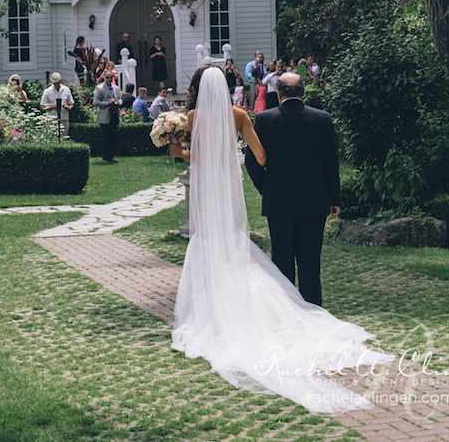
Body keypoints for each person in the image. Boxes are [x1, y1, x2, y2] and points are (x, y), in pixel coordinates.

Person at [167, 66, 392, 413]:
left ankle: (256, 308)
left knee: (272, 254)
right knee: (308, 258)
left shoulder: (204, 117)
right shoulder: (249, 115)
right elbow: (269, 156)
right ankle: (306, 309)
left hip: (234, 196)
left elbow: (222, 159)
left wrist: (264, 185)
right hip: (291, 197)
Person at [245, 72, 338, 307]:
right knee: (310, 260)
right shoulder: (323, 119)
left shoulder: (265, 119)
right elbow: (331, 163)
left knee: (282, 259)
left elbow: (251, 161)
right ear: (303, 92)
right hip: (314, 201)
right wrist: (334, 198)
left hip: (278, 200)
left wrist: (265, 188)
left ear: (279, 93)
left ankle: (286, 310)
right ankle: (313, 310)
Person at [93, 68, 121, 162]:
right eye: (107, 77)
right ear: (104, 77)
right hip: (104, 116)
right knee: (105, 137)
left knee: (113, 136)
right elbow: (95, 102)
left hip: (114, 114)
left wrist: (120, 102)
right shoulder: (99, 88)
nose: (109, 79)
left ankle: (111, 156)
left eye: (111, 77)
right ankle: (105, 157)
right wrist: (107, 103)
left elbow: (119, 98)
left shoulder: (116, 88)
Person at [40, 73, 74, 138]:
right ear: (51, 82)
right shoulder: (47, 91)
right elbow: (42, 106)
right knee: (53, 137)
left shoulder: (66, 90)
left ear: (60, 81)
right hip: (52, 118)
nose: (56, 85)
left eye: (57, 83)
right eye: (55, 83)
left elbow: (71, 103)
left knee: (64, 137)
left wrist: (68, 107)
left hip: (64, 117)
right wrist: (55, 107)